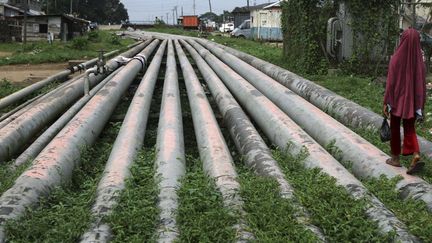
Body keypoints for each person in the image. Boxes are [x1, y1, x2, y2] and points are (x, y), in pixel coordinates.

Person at [383, 28, 426, 174]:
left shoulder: (395, 59)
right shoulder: (420, 63)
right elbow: (421, 86)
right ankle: (416, 153)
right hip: (412, 103)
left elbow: (390, 84)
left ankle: (395, 158)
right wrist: (420, 105)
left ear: (403, 40)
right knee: (409, 128)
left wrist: (386, 102)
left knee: (395, 127)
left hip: (396, 101)